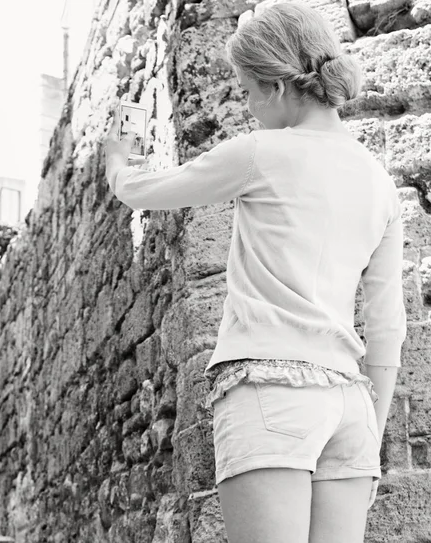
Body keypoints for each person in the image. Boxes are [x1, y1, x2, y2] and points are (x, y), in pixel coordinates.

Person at [104, 2, 406, 542]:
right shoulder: (380, 183)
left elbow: (140, 192)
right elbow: (387, 329)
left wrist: (117, 158)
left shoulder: (259, 153)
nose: (246, 105)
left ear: (276, 86)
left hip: (270, 392)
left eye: (246, 91)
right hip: (352, 408)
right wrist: (372, 440)